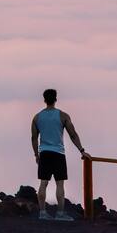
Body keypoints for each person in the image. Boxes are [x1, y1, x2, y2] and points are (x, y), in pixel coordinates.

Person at [30, 88, 87, 220]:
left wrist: (36, 155)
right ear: (56, 99)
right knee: (59, 184)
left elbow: (33, 138)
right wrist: (82, 150)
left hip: (44, 153)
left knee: (43, 183)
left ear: (44, 100)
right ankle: (60, 214)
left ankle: (42, 213)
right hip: (58, 153)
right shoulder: (63, 116)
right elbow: (73, 134)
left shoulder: (37, 117)